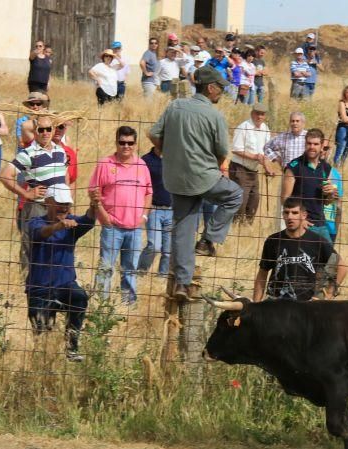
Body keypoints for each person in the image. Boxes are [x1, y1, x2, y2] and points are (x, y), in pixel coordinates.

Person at [148, 66, 243, 302]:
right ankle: (208, 240)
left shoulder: (175, 106)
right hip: (204, 177)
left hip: (176, 179)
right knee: (234, 195)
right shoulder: (214, 115)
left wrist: (168, 154)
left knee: (183, 228)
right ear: (210, 88)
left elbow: (153, 134)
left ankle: (182, 283)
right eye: (219, 88)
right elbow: (222, 152)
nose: (221, 92)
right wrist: (213, 166)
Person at [27, 184, 98, 361]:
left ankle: (71, 348)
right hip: (40, 289)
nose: (64, 207)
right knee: (42, 337)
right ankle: (44, 364)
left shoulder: (71, 223)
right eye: (60, 203)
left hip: (65, 286)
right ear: (48, 202)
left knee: (79, 297)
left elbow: (88, 220)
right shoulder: (36, 223)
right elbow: (42, 233)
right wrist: (59, 226)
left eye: (67, 204)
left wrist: (94, 205)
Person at [89, 126, 152, 304]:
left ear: (135, 144)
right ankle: (101, 305)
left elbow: (149, 192)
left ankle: (128, 303)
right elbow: (93, 192)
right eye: (122, 142)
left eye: (130, 143)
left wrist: (144, 217)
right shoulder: (105, 164)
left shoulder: (142, 165)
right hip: (112, 227)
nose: (126, 146)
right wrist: (104, 217)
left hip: (135, 228)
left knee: (130, 268)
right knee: (106, 267)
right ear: (116, 142)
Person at [0, 114, 67, 273]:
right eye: (40, 130)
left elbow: (65, 178)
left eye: (48, 129)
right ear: (35, 132)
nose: (45, 133)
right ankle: (27, 284)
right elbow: (4, 175)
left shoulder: (60, 151)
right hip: (38, 207)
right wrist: (26, 194)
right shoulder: (28, 153)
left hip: (58, 210)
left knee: (54, 247)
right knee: (31, 248)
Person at [254, 197, 344, 302]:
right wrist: (255, 304)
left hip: (306, 305)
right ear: (283, 215)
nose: (290, 217)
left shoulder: (317, 241)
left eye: (295, 213)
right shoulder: (273, 240)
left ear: (304, 215)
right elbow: (262, 273)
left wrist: (328, 294)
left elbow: (342, 266)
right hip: (277, 302)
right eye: (286, 213)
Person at [282, 128, 338, 242]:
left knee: (332, 259)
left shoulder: (325, 167)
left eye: (316, 144)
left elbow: (327, 201)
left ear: (322, 146)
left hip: (321, 224)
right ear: (305, 144)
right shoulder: (294, 166)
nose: (312, 147)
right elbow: (284, 199)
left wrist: (331, 194)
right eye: (309, 143)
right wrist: (300, 221)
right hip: (303, 226)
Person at [230, 103, 272, 225]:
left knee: (254, 199)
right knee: (242, 200)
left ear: (265, 116)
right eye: (257, 113)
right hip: (240, 168)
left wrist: (267, 167)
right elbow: (236, 149)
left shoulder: (265, 128)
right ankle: (236, 225)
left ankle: (247, 226)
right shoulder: (243, 127)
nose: (259, 117)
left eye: (262, 114)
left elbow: (266, 151)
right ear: (252, 113)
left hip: (254, 170)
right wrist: (254, 156)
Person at [137, 146, 172, 276]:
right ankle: (140, 271)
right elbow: (140, 186)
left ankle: (162, 277)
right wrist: (145, 207)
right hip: (154, 210)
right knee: (154, 246)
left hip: (171, 210)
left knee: (168, 250)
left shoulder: (175, 159)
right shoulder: (145, 161)